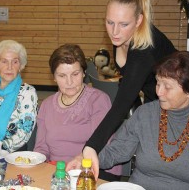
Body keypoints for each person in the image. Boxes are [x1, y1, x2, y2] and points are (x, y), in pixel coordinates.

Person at [66, 0, 177, 178]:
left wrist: (90, 147)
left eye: (123, 24)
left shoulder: (144, 51)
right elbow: (133, 87)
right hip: (156, 99)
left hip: (186, 102)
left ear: (139, 20)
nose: (115, 31)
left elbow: (121, 105)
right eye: (110, 22)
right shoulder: (120, 39)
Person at [97, 51, 189, 189]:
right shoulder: (146, 114)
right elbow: (117, 151)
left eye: (168, 87)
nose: (159, 92)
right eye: (158, 83)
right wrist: (87, 158)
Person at [33, 44, 122, 181]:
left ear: (84, 73)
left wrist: (80, 161)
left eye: (75, 74)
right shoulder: (46, 105)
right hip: (59, 173)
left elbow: (102, 145)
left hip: (94, 172)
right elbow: (41, 149)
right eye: (62, 75)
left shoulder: (98, 100)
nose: (69, 82)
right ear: (54, 78)